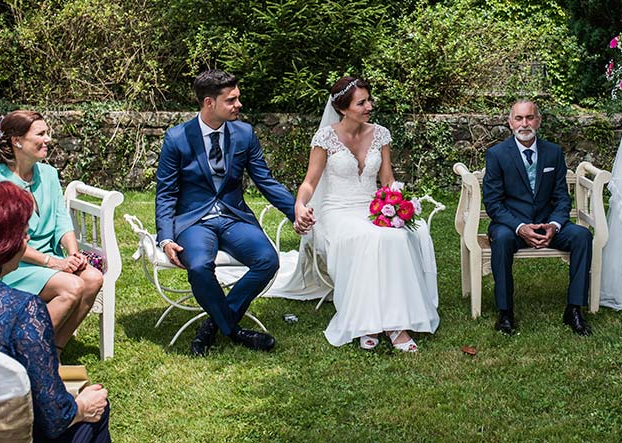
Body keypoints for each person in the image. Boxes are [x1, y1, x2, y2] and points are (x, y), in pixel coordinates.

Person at [155, 70, 311, 357]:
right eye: (232, 100)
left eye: (237, 98)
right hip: (194, 221)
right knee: (200, 266)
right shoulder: (177, 138)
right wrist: (165, 238)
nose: (239, 104)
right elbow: (166, 193)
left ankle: (211, 328)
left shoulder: (244, 133)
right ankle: (234, 330)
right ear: (209, 103)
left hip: (233, 216)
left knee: (267, 260)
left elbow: (264, 180)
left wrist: (294, 211)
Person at [0, 180, 111, 443]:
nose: (26, 240)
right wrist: (84, 406)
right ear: (0, 245)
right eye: (22, 235)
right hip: (2, 434)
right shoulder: (23, 310)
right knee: (98, 408)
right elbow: (54, 417)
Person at [293, 77, 438, 351]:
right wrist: (300, 205)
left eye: (369, 100)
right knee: (368, 239)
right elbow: (310, 181)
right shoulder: (325, 138)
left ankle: (397, 324)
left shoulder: (380, 134)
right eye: (362, 102)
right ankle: (366, 322)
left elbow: (387, 178)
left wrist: (399, 203)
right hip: (337, 211)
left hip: (371, 207)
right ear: (343, 108)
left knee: (398, 236)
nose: (369, 106)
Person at [0, 111, 104, 354]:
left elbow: (61, 219)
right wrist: (54, 263)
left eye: (47, 133)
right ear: (17, 141)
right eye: (41, 134)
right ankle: (24, 348)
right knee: (72, 287)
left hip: (53, 259)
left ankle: (54, 351)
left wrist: (74, 254)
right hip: (15, 266)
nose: (48, 139)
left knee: (93, 278)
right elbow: (11, 242)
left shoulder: (48, 174)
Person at [482, 99, 593, 336]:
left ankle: (574, 309)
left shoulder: (553, 153)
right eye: (519, 118)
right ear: (510, 122)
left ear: (538, 121)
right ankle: (505, 312)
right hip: (511, 227)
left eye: (530, 118)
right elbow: (493, 203)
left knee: (582, 236)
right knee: (500, 240)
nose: (525, 124)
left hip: (547, 225)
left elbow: (562, 198)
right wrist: (520, 227)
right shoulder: (497, 154)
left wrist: (554, 225)